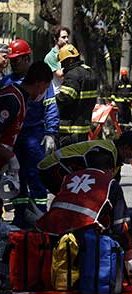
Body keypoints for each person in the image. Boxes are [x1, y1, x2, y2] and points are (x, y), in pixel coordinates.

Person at [1, 39, 59, 229]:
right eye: (12, 61)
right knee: (16, 182)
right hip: (11, 142)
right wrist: (9, 155)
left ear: (27, 58)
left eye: (17, 60)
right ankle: (21, 216)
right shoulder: (12, 92)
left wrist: (51, 133)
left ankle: (38, 215)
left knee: (35, 177)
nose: (13, 63)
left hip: (33, 136)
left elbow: (50, 108)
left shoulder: (35, 85)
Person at [35, 167, 132, 261]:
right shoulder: (110, 183)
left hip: (48, 232)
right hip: (81, 236)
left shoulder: (70, 177)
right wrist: (129, 249)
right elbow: (120, 225)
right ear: (111, 169)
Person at [0, 62, 53, 212]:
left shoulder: (21, 99)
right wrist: (11, 157)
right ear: (39, 83)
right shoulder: (12, 99)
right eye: (46, 87)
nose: (44, 92)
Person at [38, 130, 132, 195]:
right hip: (52, 168)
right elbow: (97, 186)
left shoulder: (115, 159)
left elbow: (112, 186)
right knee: (76, 199)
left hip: (64, 170)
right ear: (125, 147)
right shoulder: (104, 154)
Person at [56, 44, 98, 147]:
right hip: (84, 127)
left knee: (67, 159)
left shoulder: (73, 75)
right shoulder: (90, 72)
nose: (62, 67)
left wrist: (51, 100)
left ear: (70, 60)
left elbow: (65, 98)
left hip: (70, 129)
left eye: (63, 63)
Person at [44, 26, 70, 94]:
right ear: (55, 38)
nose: (67, 39)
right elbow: (60, 75)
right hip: (56, 95)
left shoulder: (69, 53)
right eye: (63, 37)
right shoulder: (51, 56)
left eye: (67, 37)